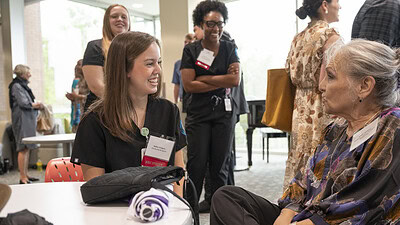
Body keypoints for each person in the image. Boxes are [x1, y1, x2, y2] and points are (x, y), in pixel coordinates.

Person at [210, 39, 400, 225]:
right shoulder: (337, 128)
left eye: (331, 76)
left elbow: (364, 202)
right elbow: (303, 181)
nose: (321, 86)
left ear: (364, 86)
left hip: (337, 221)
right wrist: (285, 215)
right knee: (227, 197)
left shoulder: (392, 125)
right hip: (304, 214)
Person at [71, 31, 186, 196]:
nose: (158, 70)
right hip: (117, 214)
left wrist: (176, 211)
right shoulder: (95, 121)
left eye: (159, 62)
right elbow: (96, 190)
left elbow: (179, 172)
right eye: (149, 64)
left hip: (165, 208)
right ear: (125, 69)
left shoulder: (168, 112)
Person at [180, 0, 240, 214]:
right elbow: (188, 85)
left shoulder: (230, 47)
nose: (215, 28)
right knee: (196, 165)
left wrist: (204, 78)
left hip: (224, 114)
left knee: (220, 167)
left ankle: (219, 210)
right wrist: (221, 78)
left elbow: (235, 81)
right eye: (210, 23)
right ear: (200, 24)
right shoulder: (191, 51)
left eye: (219, 23)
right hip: (198, 114)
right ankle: (190, 210)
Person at [283, 0, 341, 190]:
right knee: (321, 154)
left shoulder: (298, 38)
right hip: (321, 106)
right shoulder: (329, 36)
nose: (339, 6)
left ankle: (294, 199)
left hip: (300, 108)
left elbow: (288, 72)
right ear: (325, 5)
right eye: (337, 1)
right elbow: (336, 78)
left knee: (301, 154)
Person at [82, 4, 131, 112]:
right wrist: (124, 105)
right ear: (106, 22)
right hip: (102, 109)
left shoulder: (136, 49)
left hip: (131, 108)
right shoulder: (95, 47)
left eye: (124, 17)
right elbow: (96, 86)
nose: (119, 19)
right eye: (114, 16)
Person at [8, 64, 43, 184]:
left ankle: (26, 175)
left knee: (27, 147)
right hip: (22, 120)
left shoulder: (22, 86)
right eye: (28, 73)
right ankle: (22, 177)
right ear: (22, 74)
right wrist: (36, 105)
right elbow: (23, 103)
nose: (30, 75)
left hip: (27, 120)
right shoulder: (16, 86)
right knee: (22, 147)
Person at [66, 59, 89, 132]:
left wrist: (78, 97)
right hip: (77, 115)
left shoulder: (89, 81)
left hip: (86, 115)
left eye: (79, 64)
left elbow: (93, 98)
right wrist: (73, 98)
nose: (76, 67)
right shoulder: (77, 81)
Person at [172, 33, 195, 104]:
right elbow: (177, 85)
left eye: (190, 42)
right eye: (185, 42)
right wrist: (175, 102)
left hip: (195, 99)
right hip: (183, 100)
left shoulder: (199, 63)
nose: (187, 44)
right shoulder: (178, 64)